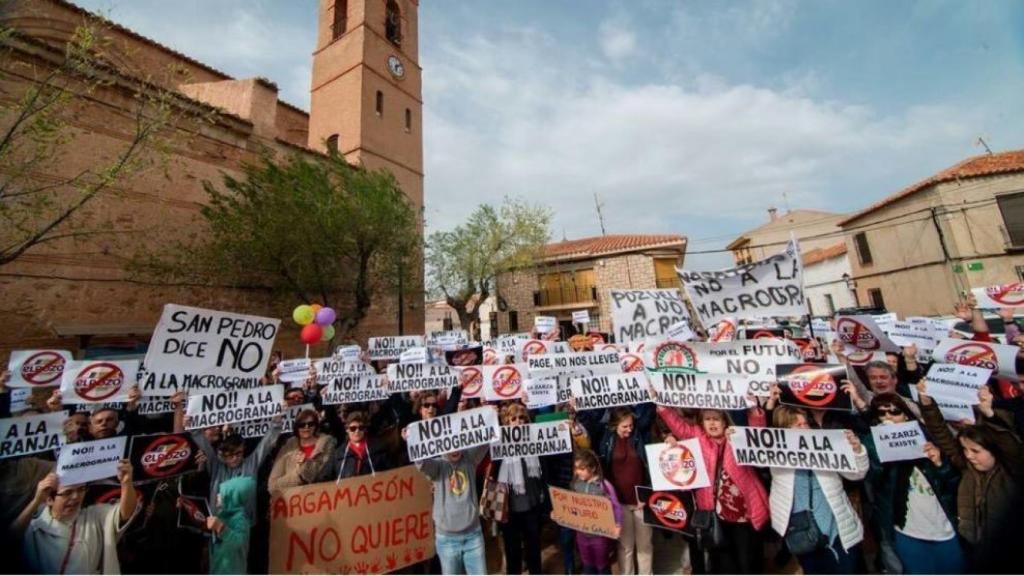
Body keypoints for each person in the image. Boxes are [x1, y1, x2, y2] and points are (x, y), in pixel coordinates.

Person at [918, 381, 1024, 572]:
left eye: (975, 451)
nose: (968, 456)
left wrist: (989, 414)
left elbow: (1009, 444)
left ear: (994, 450)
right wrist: (927, 404)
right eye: (965, 450)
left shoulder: (1012, 471)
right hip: (974, 546)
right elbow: (941, 434)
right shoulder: (968, 469)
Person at [656, 403, 770, 574]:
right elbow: (679, 426)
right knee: (723, 564)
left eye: (716, 419)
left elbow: (758, 434)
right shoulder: (698, 437)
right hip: (716, 515)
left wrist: (754, 410)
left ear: (725, 422)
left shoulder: (737, 437)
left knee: (746, 563)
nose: (712, 423)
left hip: (743, 516)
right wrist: (662, 407)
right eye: (707, 419)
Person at [860, 393, 963, 574]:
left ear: (906, 415)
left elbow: (954, 485)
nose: (888, 417)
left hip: (943, 528)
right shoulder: (872, 445)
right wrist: (880, 447)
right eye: (882, 413)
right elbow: (873, 478)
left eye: (895, 412)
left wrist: (940, 464)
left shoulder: (927, 441)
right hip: (908, 532)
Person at [765, 405, 870, 574]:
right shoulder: (774, 454)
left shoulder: (825, 446)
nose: (804, 428)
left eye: (805, 423)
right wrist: (735, 438)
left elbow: (857, 474)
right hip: (802, 531)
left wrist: (857, 450)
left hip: (838, 528)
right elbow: (751, 446)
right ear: (783, 429)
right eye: (797, 425)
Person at [13, 460, 140, 574]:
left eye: (81, 489)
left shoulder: (94, 516)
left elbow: (125, 513)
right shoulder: (34, 527)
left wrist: (126, 483)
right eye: (67, 492)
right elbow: (9, 539)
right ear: (49, 499)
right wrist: (36, 501)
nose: (75, 497)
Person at [414, 444, 489, 576]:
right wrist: (412, 440)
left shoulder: (469, 458)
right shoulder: (438, 465)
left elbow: (486, 441)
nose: (455, 450)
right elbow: (422, 463)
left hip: (473, 536)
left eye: (457, 445)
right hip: (447, 540)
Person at [596, 406, 653, 575]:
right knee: (625, 546)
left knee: (645, 546)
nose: (629, 429)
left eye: (631, 425)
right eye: (625, 426)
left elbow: (650, 413)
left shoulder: (639, 436)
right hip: (620, 503)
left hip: (641, 501)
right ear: (614, 425)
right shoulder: (606, 440)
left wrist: (647, 493)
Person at [496, 402, 545, 575]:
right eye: (514, 418)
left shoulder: (534, 440)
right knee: (513, 552)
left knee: (534, 549)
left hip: (532, 505)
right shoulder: (498, 444)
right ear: (507, 422)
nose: (518, 421)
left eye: (522, 418)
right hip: (509, 509)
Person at [571, 448, 622, 575]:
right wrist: (561, 514)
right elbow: (571, 506)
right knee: (588, 566)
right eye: (576, 468)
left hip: (600, 537)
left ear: (593, 468)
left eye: (582, 469)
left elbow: (616, 507)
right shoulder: (576, 484)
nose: (578, 472)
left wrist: (618, 525)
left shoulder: (604, 486)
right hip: (581, 535)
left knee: (602, 567)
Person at [268, 409, 337, 491]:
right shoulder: (288, 447)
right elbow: (272, 485)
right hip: (294, 497)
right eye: (302, 425)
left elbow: (324, 475)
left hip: (322, 495)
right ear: (296, 427)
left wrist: (305, 464)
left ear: (316, 426)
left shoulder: (327, 443)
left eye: (310, 424)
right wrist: (299, 477)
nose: (306, 427)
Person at [207, 476, 257, 575]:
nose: (217, 496)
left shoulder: (241, 520)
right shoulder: (222, 516)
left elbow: (239, 542)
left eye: (221, 493)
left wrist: (221, 528)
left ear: (231, 498)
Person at [332, 411, 389, 480]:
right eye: (353, 428)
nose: (357, 431)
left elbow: (391, 473)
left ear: (365, 430)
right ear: (347, 430)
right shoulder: (338, 454)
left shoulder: (379, 449)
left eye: (361, 428)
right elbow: (324, 477)